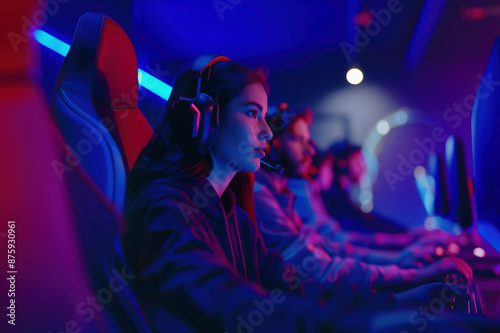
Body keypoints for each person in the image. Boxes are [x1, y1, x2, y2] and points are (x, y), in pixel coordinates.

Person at [122, 56, 466, 332]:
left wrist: (399, 302)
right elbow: (225, 301)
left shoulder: (233, 216)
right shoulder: (164, 206)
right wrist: (373, 323)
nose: (267, 131)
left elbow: (292, 285)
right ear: (204, 118)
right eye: (252, 112)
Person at [254, 104, 471, 291]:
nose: (309, 152)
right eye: (297, 139)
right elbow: (321, 260)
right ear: (273, 146)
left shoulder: (283, 195)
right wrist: (402, 262)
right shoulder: (269, 194)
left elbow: (334, 247)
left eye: (307, 141)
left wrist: (403, 250)